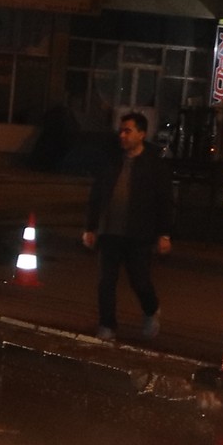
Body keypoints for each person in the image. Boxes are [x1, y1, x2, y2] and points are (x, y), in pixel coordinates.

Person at [82, 108, 173, 341]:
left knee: (140, 280)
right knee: (106, 282)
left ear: (142, 134)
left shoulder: (153, 166)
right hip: (109, 233)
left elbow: (164, 201)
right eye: (121, 131)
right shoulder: (111, 161)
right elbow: (97, 195)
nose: (122, 136)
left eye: (128, 131)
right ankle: (107, 326)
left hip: (138, 235)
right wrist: (91, 227)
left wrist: (164, 234)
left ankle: (151, 309)